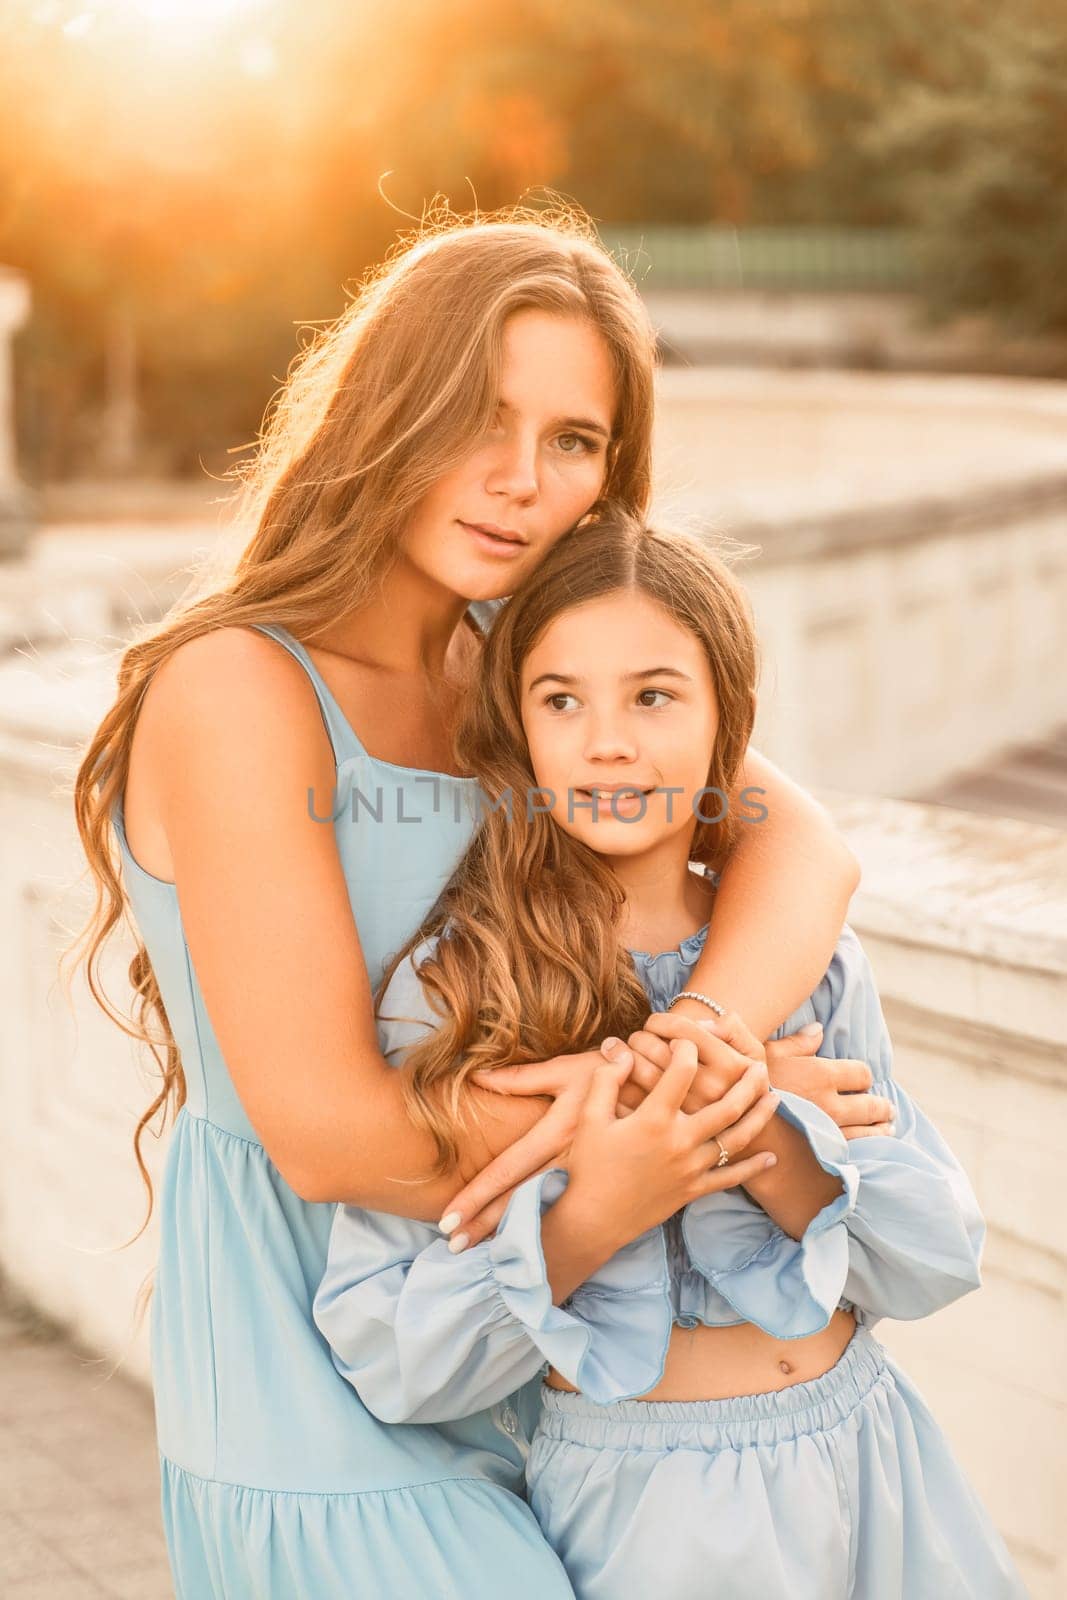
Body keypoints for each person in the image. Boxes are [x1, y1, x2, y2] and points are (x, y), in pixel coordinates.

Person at [72, 207, 871, 1598]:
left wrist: (697, 1060)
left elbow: (798, 845)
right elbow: (328, 1136)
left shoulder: (526, 661)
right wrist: (671, 1122)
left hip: (546, 1341)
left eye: (574, 441)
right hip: (310, 1389)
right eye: (477, 420)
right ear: (383, 413)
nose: (519, 481)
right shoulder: (241, 690)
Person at [314, 513, 1027, 1599]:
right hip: (649, 1518)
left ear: (722, 717)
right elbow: (393, 1357)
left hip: (876, 1465)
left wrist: (760, 1126)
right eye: (562, 699)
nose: (607, 741)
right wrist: (595, 1208)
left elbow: (933, 1256)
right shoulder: (459, 987)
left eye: (652, 694)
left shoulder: (804, 963)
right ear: (517, 728)